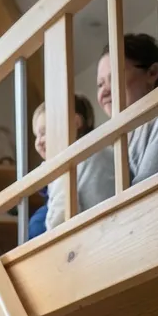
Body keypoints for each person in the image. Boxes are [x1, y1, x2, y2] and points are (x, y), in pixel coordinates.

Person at [31, 94, 116, 232]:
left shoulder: (77, 159)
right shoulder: (102, 150)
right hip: (102, 230)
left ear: (75, 123)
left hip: (97, 234)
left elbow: (58, 223)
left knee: (36, 222)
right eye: (36, 135)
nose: (38, 142)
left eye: (44, 132)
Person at [96, 33, 158, 182]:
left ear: (152, 73)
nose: (104, 91)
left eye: (114, 77)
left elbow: (147, 188)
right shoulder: (109, 147)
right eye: (100, 84)